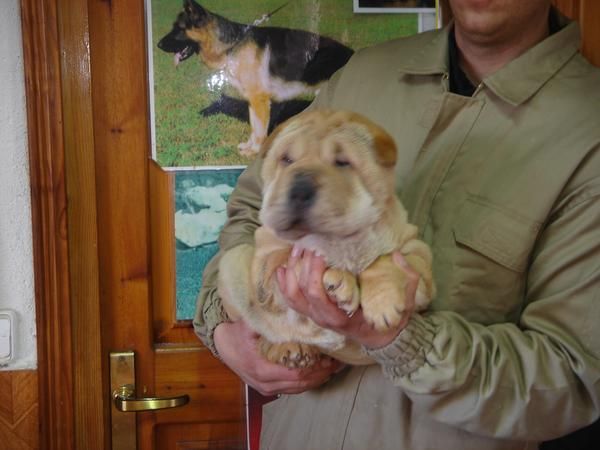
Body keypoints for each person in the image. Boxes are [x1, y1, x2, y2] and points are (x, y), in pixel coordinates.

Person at [194, 0, 600, 449]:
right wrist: (226, 330)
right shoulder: (365, 73)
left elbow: (571, 378)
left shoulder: (589, 128)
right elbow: (253, 206)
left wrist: (400, 340)